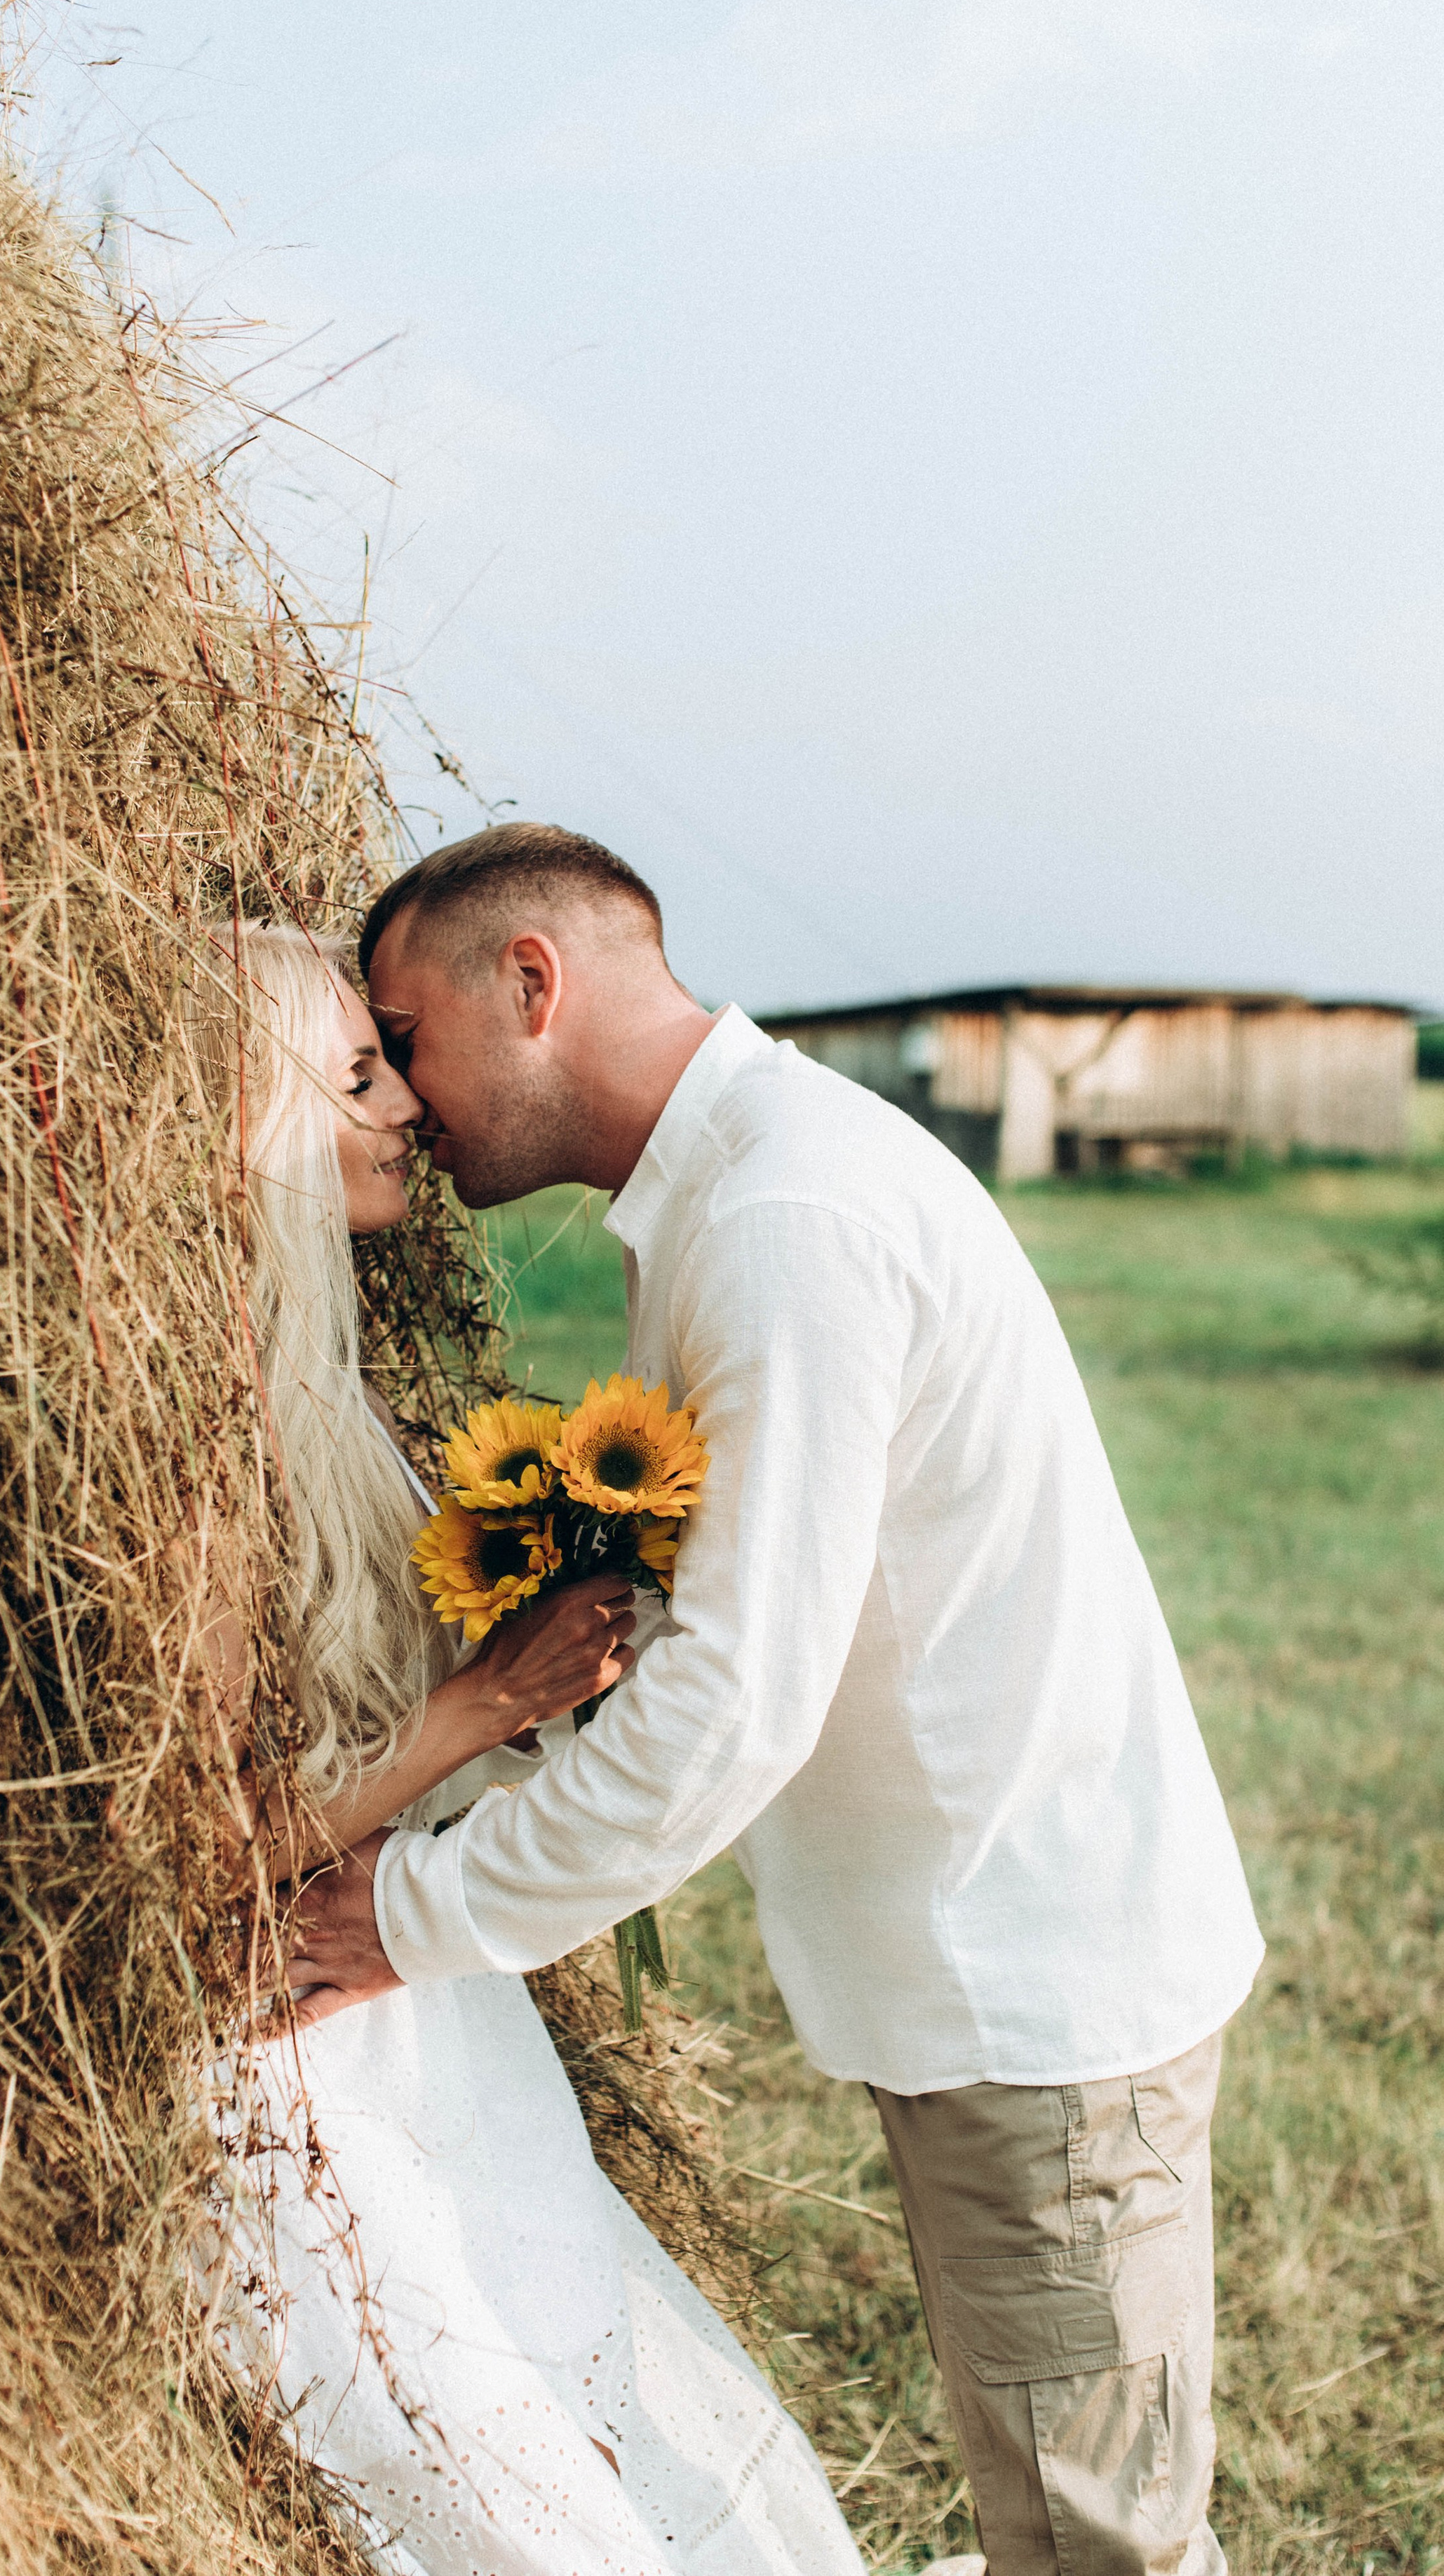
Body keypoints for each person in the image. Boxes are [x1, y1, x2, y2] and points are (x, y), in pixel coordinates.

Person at [289, 826, 1267, 2576]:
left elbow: (736, 1704)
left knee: (1093, 2542)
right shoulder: (754, 1183)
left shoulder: (780, 1216)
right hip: (987, 1957)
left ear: (533, 984)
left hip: (1034, 1981)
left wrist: (411, 1914)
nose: (407, 1101)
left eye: (408, 1038)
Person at [187, 922, 869, 2576]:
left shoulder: (323, 1390)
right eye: (357, 1074)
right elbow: (199, 1846)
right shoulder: (194, 1436)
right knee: (466, 2460)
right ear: (248, 1124)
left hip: (425, 2010)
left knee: (570, 2383)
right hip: (298, 2028)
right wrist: (486, 1699)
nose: (407, 1108)